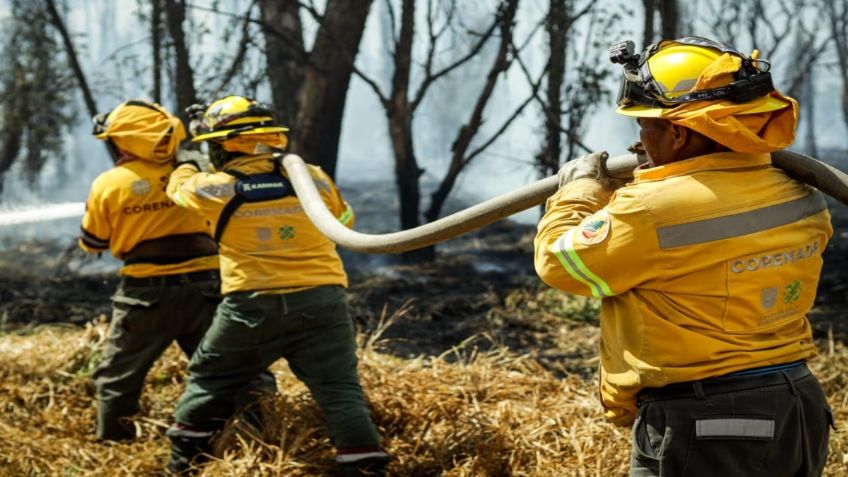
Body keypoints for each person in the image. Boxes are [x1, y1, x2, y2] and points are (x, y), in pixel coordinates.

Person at [534, 37, 834, 477]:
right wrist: (653, 182)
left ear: (677, 132)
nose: (638, 141)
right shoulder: (799, 191)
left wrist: (578, 192)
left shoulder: (650, 211)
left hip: (709, 422)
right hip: (798, 409)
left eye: (645, 127)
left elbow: (558, 263)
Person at [162, 95, 388, 476]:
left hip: (251, 306)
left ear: (220, 147)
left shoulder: (213, 189)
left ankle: (182, 463)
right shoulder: (312, 177)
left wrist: (189, 161)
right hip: (323, 301)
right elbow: (343, 221)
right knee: (339, 390)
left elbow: (177, 189)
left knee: (211, 377)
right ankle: (365, 466)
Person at [80, 100, 221, 441]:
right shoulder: (198, 169)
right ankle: (254, 432)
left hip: (145, 293)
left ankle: (115, 445)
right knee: (230, 367)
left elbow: (92, 242)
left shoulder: (110, 183)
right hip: (210, 288)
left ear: (125, 140)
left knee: (118, 376)